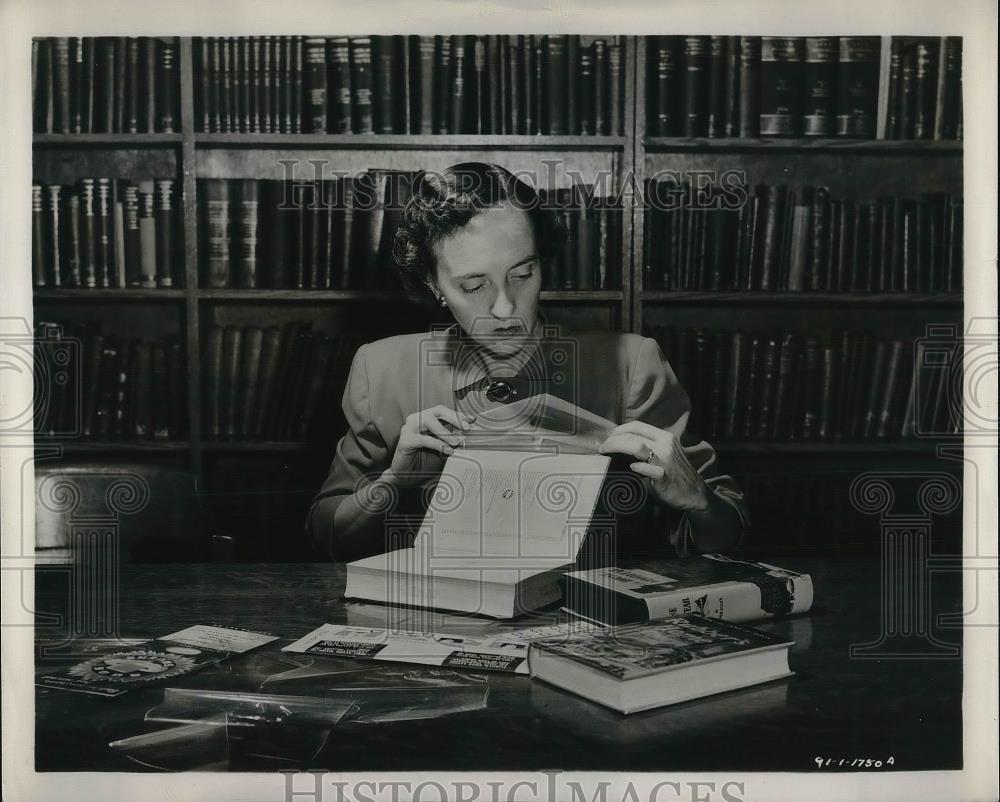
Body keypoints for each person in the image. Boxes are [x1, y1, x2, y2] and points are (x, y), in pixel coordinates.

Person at [307, 162, 749, 562]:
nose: (505, 308)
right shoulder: (380, 370)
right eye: (474, 285)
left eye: (523, 274)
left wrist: (698, 500)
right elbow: (325, 534)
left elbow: (730, 532)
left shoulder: (630, 364)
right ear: (433, 284)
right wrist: (394, 483)